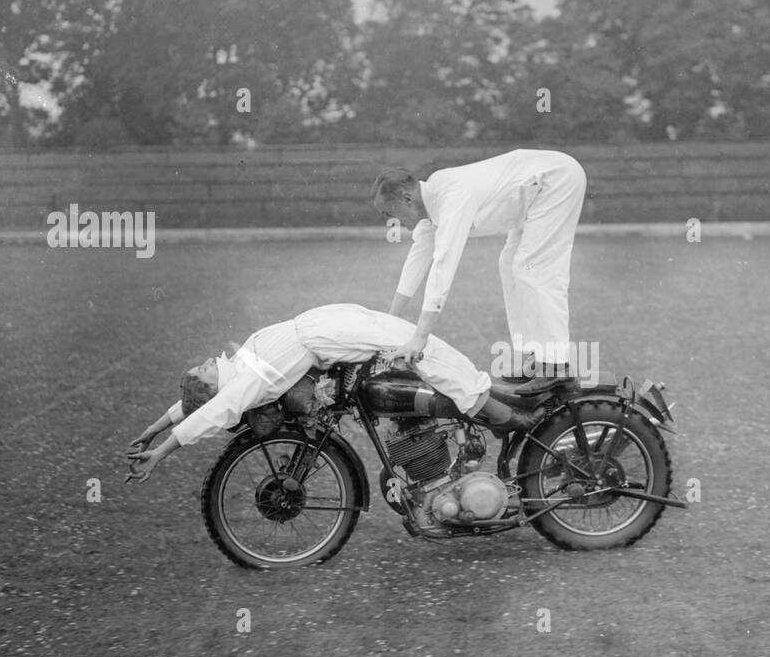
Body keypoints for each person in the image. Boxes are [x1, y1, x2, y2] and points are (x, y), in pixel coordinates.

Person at [124, 302, 544, 484]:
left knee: (451, 374)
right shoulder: (245, 382)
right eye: (202, 375)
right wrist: (159, 452)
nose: (201, 367)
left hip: (345, 326)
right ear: (217, 390)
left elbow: (193, 404)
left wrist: (151, 431)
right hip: (348, 334)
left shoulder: (241, 367)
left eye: (198, 371)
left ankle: (524, 416)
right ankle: (520, 416)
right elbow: (206, 412)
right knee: (443, 371)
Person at [371, 148, 586, 395]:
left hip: (557, 180)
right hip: (536, 189)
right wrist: (389, 320)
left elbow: (444, 265)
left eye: (388, 213)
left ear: (407, 199)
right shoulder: (430, 202)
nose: (389, 220)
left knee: (533, 269)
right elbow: (417, 259)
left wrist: (419, 338)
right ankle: (537, 357)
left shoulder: (451, 197)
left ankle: (556, 368)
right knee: (510, 265)